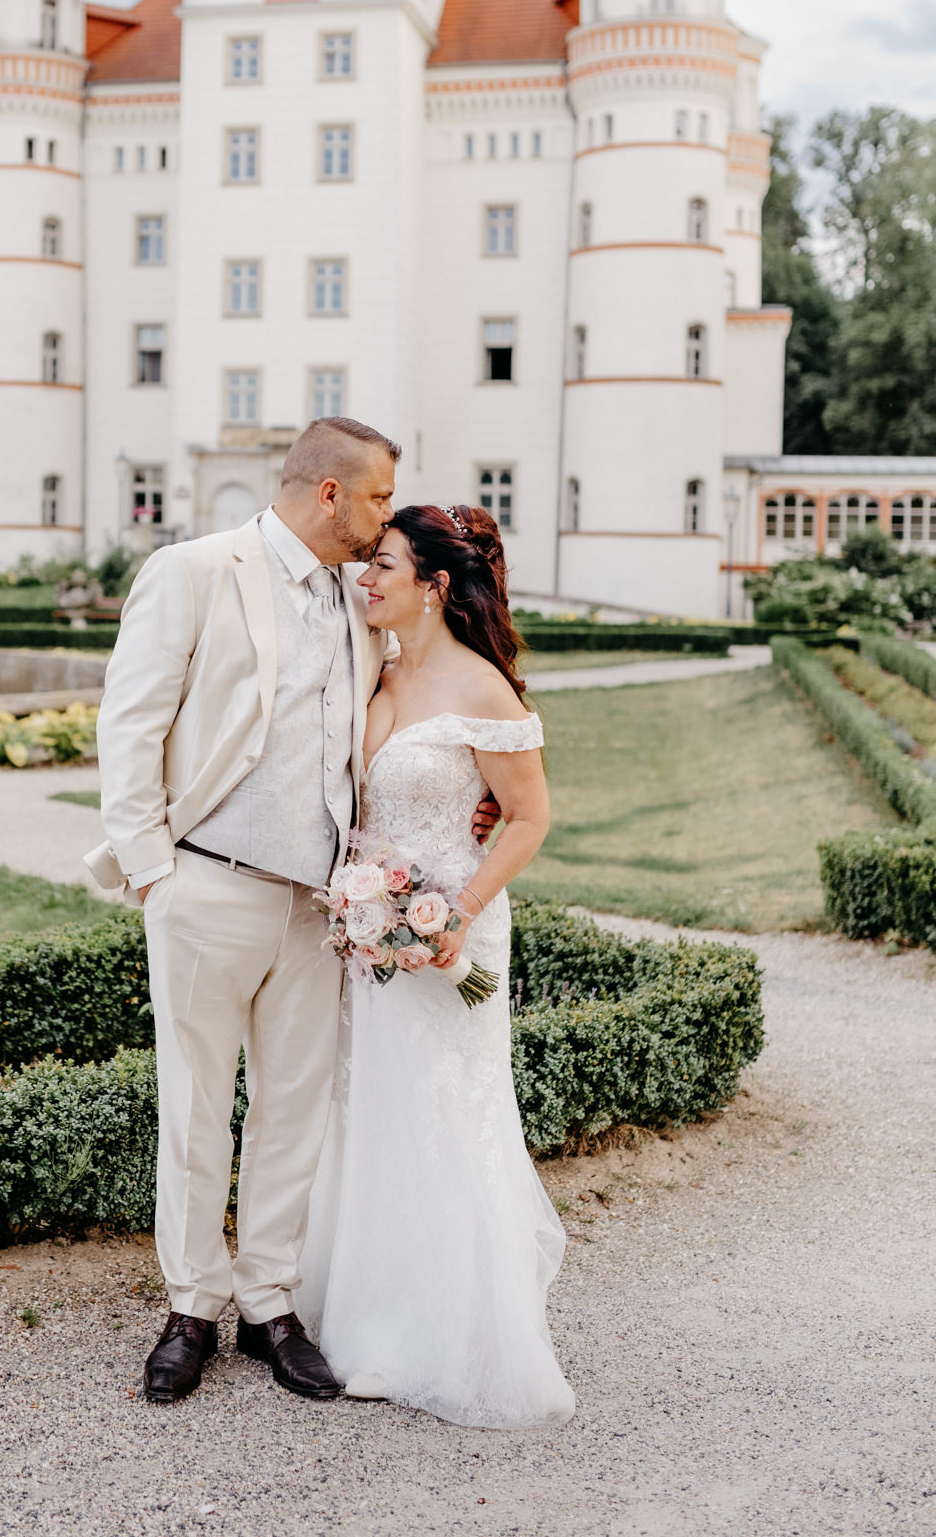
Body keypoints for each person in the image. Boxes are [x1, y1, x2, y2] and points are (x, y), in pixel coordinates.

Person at [86, 418, 400, 1404]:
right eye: (379, 498)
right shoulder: (193, 570)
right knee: (192, 1109)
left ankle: (269, 1303)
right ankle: (190, 1306)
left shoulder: (361, 599)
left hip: (318, 904)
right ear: (329, 495)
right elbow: (130, 722)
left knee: (291, 1108)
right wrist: (152, 873)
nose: (386, 518)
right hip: (205, 884)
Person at [297, 502, 576, 1428]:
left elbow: (528, 816)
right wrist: (367, 901)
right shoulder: (368, 668)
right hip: (368, 929)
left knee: (440, 1109)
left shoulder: (483, 691)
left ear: (435, 585)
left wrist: (453, 910)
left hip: (449, 930)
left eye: (381, 564)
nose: (363, 577)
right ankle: (359, 1317)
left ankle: (445, 1333)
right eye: (366, 562)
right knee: (366, 1102)